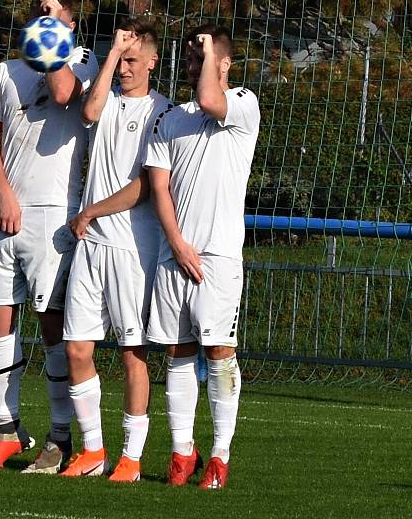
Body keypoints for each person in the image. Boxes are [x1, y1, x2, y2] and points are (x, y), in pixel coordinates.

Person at [0, 0, 99, 472]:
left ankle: (60, 436)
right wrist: (3, 192)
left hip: (53, 217)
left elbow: (66, 94)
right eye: (37, 9)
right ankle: (4, 427)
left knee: (53, 328)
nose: (42, 14)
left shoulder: (83, 62)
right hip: (5, 212)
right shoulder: (5, 71)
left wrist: (53, 37)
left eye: (53, 9)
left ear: (70, 20)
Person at [144, 25, 260, 489]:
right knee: (178, 352)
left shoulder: (243, 104)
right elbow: (159, 186)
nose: (193, 68)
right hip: (176, 254)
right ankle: (180, 453)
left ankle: (219, 456)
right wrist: (175, 242)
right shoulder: (172, 118)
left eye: (203, 59)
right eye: (191, 60)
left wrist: (213, 52)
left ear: (225, 64)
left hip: (219, 258)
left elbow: (214, 100)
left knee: (219, 353)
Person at [61, 20, 172, 482]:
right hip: (92, 247)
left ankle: (131, 456)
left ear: (152, 62)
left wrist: (91, 212)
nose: (125, 67)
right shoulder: (103, 95)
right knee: (77, 348)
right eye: (119, 59)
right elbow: (88, 112)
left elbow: (145, 187)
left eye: (131, 59)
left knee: (132, 354)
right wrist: (110, 55)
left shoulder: (163, 113)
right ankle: (93, 450)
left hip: (131, 247)